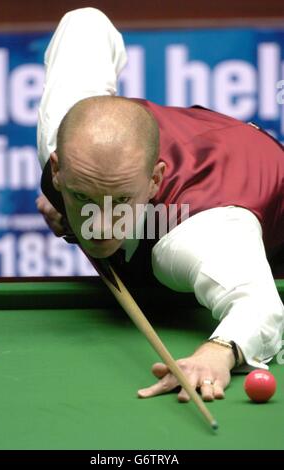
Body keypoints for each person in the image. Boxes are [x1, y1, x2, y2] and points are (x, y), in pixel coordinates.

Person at [36, 7, 284, 403]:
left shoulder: (195, 233)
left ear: (154, 180)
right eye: (84, 197)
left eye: (119, 201)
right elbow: (85, 23)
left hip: (259, 188)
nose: (100, 226)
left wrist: (218, 352)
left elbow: (259, 304)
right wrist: (61, 200)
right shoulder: (64, 137)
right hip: (199, 137)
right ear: (58, 168)